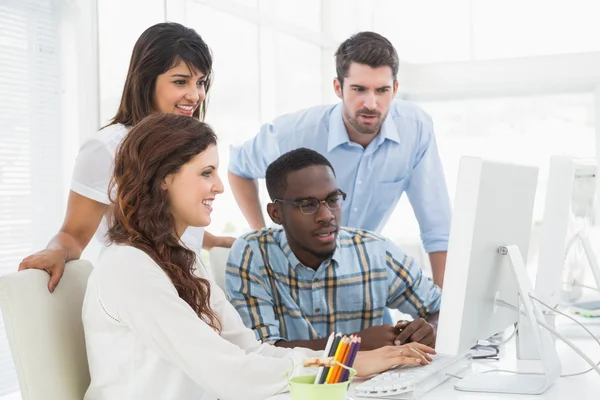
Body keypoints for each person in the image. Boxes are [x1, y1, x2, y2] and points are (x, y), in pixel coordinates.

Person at [82, 113, 436, 400]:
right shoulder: (129, 268)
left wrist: (343, 361)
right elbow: (228, 373)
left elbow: (250, 351)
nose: (220, 186)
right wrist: (349, 366)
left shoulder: (182, 260)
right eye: (206, 173)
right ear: (163, 180)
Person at [18, 22, 234, 292]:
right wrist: (56, 252)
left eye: (200, 83)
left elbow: (164, 222)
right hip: (138, 291)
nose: (195, 95)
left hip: (184, 287)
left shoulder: (186, 143)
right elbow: (73, 234)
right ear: (146, 80)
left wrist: (210, 241)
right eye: (180, 81)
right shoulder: (107, 147)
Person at [228, 31, 451, 287]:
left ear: (395, 89)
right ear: (338, 87)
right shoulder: (294, 133)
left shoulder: (416, 129)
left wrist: (445, 312)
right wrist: (262, 238)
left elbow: (438, 230)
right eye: (359, 89)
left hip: (361, 275)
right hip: (295, 275)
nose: (371, 103)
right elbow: (238, 168)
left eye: (382, 90)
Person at [226, 148, 442, 351]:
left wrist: (430, 329)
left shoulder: (375, 251)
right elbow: (260, 352)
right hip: (288, 390)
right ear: (276, 213)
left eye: (333, 200)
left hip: (369, 389)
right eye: (308, 205)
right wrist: (350, 344)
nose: (327, 215)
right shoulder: (253, 254)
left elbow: (442, 309)